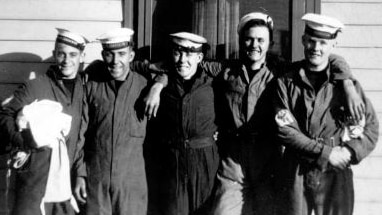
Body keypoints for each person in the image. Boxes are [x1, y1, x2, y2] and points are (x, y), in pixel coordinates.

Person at [273, 13, 379, 215]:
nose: (316, 48)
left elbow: (371, 128)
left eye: (323, 42)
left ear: (333, 45)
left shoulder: (347, 86)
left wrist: (349, 152)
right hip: (296, 168)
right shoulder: (286, 82)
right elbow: (286, 131)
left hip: (335, 170)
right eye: (311, 41)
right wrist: (326, 153)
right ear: (303, 40)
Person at [0, 28, 88, 215]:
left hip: (66, 182)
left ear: (82, 57)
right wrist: (24, 140)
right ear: (54, 54)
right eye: (61, 54)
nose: (66, 60)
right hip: (34, 180)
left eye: (73, 55)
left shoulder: (85, 88)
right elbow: (5, 115)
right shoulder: (36, 86)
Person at [78, 28, 165, 215]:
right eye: (109, 54)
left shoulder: (144, 85)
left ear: (131, 55)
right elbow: (80, 133)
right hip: (96, 178)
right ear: (103, 56)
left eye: (122, 54)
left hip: (132, 181)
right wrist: (79, 173)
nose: (116, 61)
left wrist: (158, 85)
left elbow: (170, 72)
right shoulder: (91, 85)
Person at [146, 32, 220, 215]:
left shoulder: (213, 84)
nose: (182, 60)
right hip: (172, 164)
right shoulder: (164, 85)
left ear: (199, 57)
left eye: (189, 54)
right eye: (178, 53)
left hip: (204, 163)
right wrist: (157, 86)